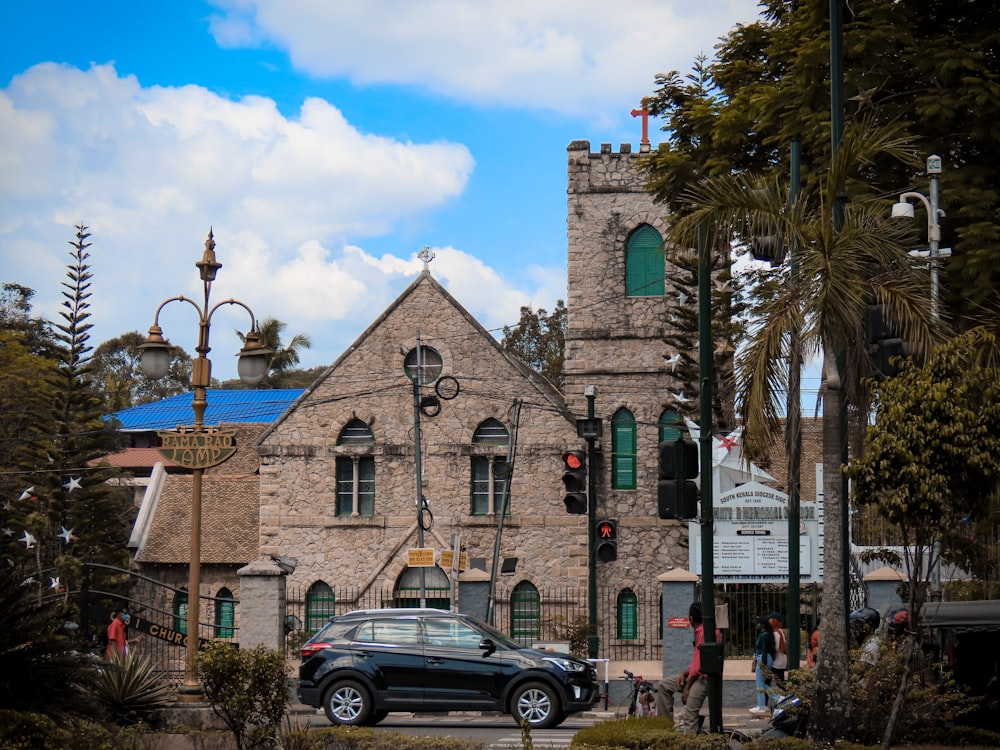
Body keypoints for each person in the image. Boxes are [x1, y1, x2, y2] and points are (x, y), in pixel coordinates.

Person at [655, 602, 717, 732]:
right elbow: (697, 663)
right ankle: (665, 731)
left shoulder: (704, 632)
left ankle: (690, 745)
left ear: (691, 619)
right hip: (695, 676)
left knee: (689, 715)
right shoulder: (702, 631)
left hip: (703, 679)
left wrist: (687, 688)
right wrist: (686, 672)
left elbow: (699, 668)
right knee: (664, 686)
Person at [750, 615, 776, 715]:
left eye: (758, 623)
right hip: (764, 658)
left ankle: (762, 706)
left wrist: (763, 664)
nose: (757, 625)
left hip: (763, 659)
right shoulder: (767, 635)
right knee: (762, 683)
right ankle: (774, 698)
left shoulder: (764, 636)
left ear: (763, 624)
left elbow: (764, 651)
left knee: (760, 684)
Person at [768, 611, 788, 684]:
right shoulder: (780, 631)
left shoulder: (775, 633)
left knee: (768, 681)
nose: (768, 621)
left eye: (770, 619)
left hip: (777, 662)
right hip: (782, 660)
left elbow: (775, 649)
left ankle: (791, 693)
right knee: (780, 681)